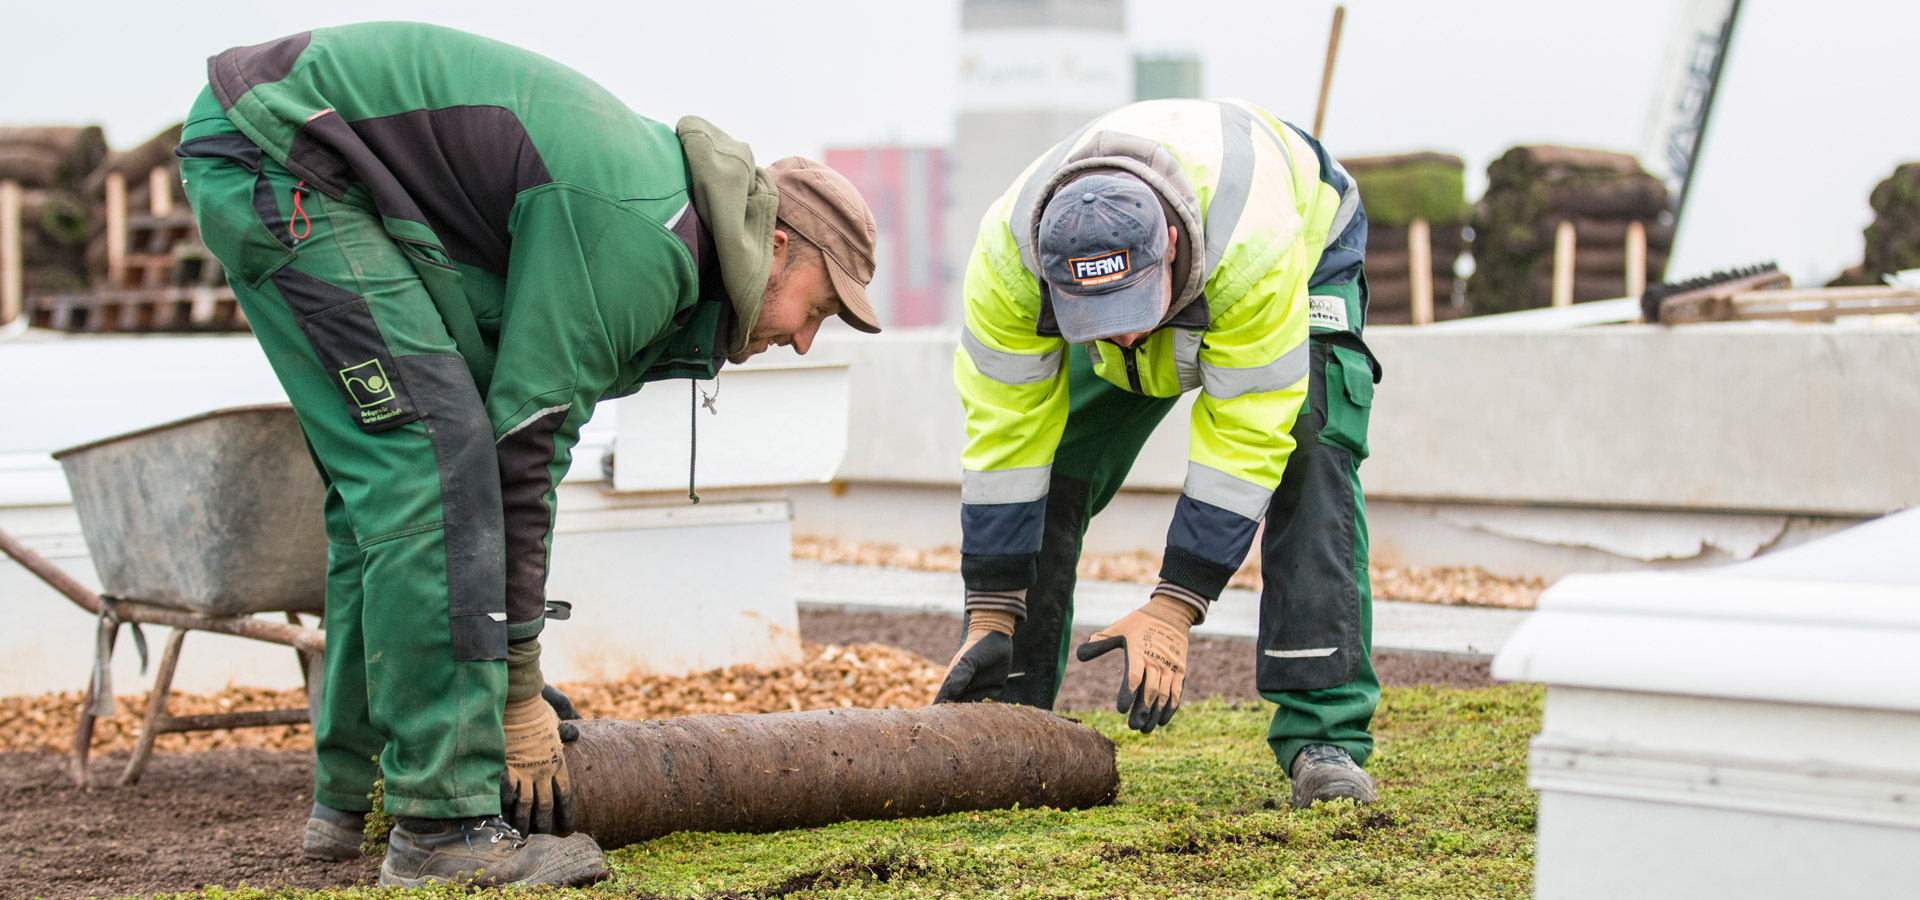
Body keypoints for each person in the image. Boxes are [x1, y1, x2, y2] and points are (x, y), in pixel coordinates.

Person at [178, 22, 880, 886]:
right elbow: (521, 453)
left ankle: (348, 799)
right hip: (289, 156)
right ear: (777, 246)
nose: (809, 341)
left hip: (289, 148)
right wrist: (512, 694)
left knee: (405, 480)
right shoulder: (647, 238)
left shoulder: (667, 224)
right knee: (430, 468)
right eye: (820, 308)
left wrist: (489, 674)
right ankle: (441, 831)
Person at [933, 99, 1381, 808]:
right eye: (1096, 324)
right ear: (1051, 278)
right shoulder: (1006, 262)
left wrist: (1176, 605)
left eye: (1132, 317)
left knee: (1310, 443)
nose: (1126, 342)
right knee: (1049, 467)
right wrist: (991, 610)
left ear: (1170, 243)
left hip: (1304, 252)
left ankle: (1324, 739)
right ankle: (1007, 724)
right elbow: (1006, 438)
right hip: (1172, 269)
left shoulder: (1255, 247)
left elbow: (1247, 434)